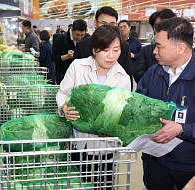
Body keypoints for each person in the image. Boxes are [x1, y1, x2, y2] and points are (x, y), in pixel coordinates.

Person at [56, 25, 131, 188]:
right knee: (77, 183)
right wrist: (64, 107)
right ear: (95, 49)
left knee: (103, 184)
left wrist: (114, 127)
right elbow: (62, 92)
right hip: (79, 143)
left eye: (116, 50)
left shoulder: (123, 78)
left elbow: (122, 114)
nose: (111, 56)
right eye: (105, 50)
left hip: (106, 147)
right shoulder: (77, 67)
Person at [136, 17, 195, 190]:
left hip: (187, 167)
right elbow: (139, 105)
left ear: (180, 47)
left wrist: (182, 129)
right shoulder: (153, 73)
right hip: (154, 161)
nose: (154, 51)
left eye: (159, 46)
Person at [73, 6, 132, 89]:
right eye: (103, 23)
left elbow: (127, 74)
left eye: (112, 24)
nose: (108, 28)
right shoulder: (82, 45)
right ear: (95, 23)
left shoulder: (124, 46)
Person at [134, 9, 176, 83]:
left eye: (165, 25)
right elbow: (138, 75)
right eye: (157, 26)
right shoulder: (146, 51)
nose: (160, 29)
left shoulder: (182, 51)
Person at [51, 19, 90, 84]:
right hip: (64, 74)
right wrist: (67, 56)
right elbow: (54, 58)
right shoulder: (61, 39)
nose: (80, 38)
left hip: (82, 75)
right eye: (77, 35)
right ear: (71, 29)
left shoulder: (87, 38)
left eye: (82, 35)